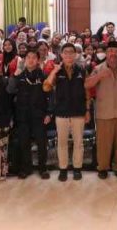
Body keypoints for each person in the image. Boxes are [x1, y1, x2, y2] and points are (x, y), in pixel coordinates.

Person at [85, 40, 117, 179]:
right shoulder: (98, 68)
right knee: (103, 143)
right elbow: (87, 84)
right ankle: (103, 168)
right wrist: (99, 76)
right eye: (110, 51)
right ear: (106, 53)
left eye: (116, 51)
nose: (113, 54)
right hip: (104, 113)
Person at [43, 43, 91, 182]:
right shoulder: (57, 71)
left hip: (78, 112)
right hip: (61, 112)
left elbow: (87, 92)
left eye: (71, 52)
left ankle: (77, 169)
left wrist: (87, 110)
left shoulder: (82, 70)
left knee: (78, 142)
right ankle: (63, 169)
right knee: (62, 142)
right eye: (66, 52)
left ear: (75, 55)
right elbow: (46, 87)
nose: (69, 54)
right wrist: (54, 71)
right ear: (61, 55)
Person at [7, 49, 51, 179]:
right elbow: (10, 90)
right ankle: (26, 168)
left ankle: (43, 168)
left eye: (34, 58)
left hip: (39, 115)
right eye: (28, 57)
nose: (31, 60)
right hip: (22, 115)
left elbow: (50, 96)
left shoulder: (43, 76)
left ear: (38, 60)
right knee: (24, 142)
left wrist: (49, 113)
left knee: (41, 143)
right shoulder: (19, 75)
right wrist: (14, 75)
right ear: (25, 60)